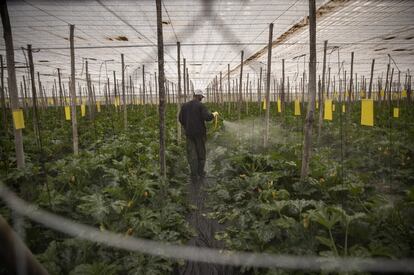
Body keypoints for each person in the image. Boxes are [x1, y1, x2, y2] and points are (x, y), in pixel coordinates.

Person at [179, 90, 218, 182]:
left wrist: (187, 126)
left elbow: (180, 119)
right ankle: (200, 173)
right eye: (201, 97)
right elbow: (207, 117)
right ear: (199, 96)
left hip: (189, 134)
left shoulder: (185, 106)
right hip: (200, 134)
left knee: (192, 154)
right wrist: (213, 114)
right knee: (201, 154)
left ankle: (193, 175)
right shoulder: (201, 105)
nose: (202, 99)